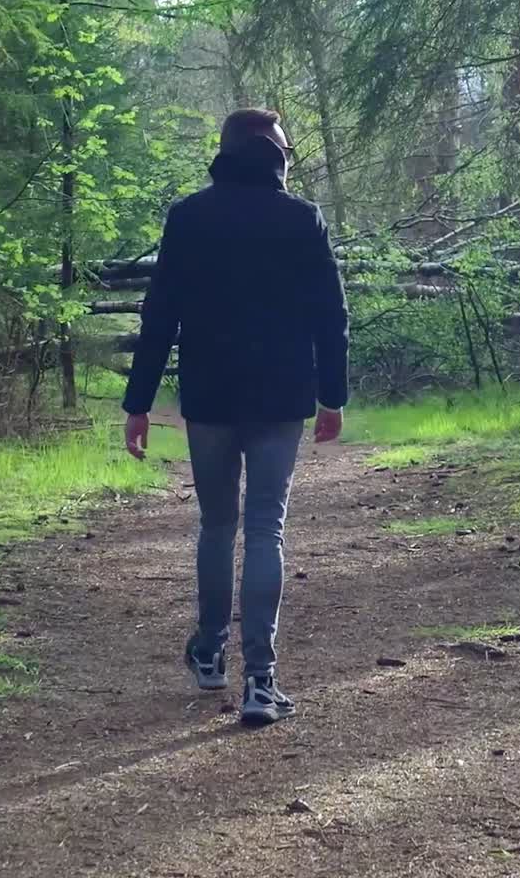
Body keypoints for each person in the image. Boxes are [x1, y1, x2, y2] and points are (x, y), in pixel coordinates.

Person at [123, 109, 349, 725]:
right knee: (265, 529)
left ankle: (209, 652)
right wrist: (333, 394)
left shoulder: (189, 216)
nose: (290, 153)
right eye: (286, 145)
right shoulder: (302, 219)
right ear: (268, 151)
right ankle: (261, 680)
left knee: (219, 526)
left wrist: (138, 402)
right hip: (281, 397)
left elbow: (159, 315)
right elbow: (331, 315)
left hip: (211, 396)